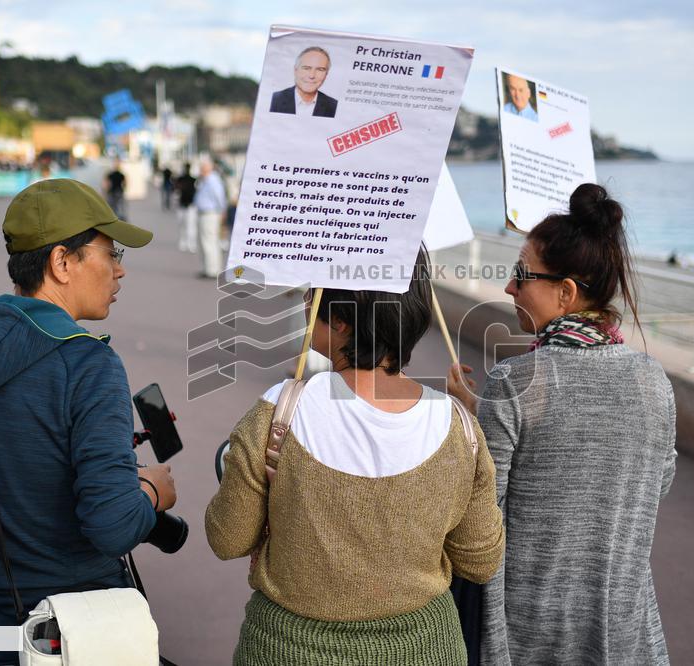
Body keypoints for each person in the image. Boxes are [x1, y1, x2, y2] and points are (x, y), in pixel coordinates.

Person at [0, 179, 177, 666]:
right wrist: (153, 491)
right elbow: (114, 527)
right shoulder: (89, 365)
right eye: (110, 253)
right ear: (61, 262)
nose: (119, 270)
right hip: (77, 636)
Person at [207, 248, 504, 665]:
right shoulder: (459, 425)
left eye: (314, 294)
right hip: (423, 649)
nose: (307, 303)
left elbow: (227, 538)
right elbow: (481, 560)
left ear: (341, 322)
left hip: (289, 649)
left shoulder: (280, 411)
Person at [449, 184, 677, 665]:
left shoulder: (516, 380)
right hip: (622, 627)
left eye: (521, 275)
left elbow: (480, 510)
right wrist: (480, 409)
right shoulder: (652, 380)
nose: (510, 287)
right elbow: (650, 485)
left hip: (529, 632)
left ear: (566, 292)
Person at [269, 46, 338, 118]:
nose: (312, 75)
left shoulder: (334, 107)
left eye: (320, 69)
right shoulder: (274, 100)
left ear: (326, 74)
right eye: (306, 68)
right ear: (295, 70)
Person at [194, 158, 227, 278]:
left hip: (210, 213)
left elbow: (219, 197)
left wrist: (222, 211)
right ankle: (208, 268)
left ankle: (212, 270)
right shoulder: (206, 180)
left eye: (202, 168)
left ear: (208, 168)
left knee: (209, 242)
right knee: (205, 242)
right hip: (205, 213)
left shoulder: (213, 181)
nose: (200, 170)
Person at [174, 162, 197, 253]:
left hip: (190, 205)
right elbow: (176, 190)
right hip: (182, 205)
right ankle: (184, 242)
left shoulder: (193, 180)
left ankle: (191, 243)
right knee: (183, 225)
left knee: (190, 226)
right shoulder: (180, 179)